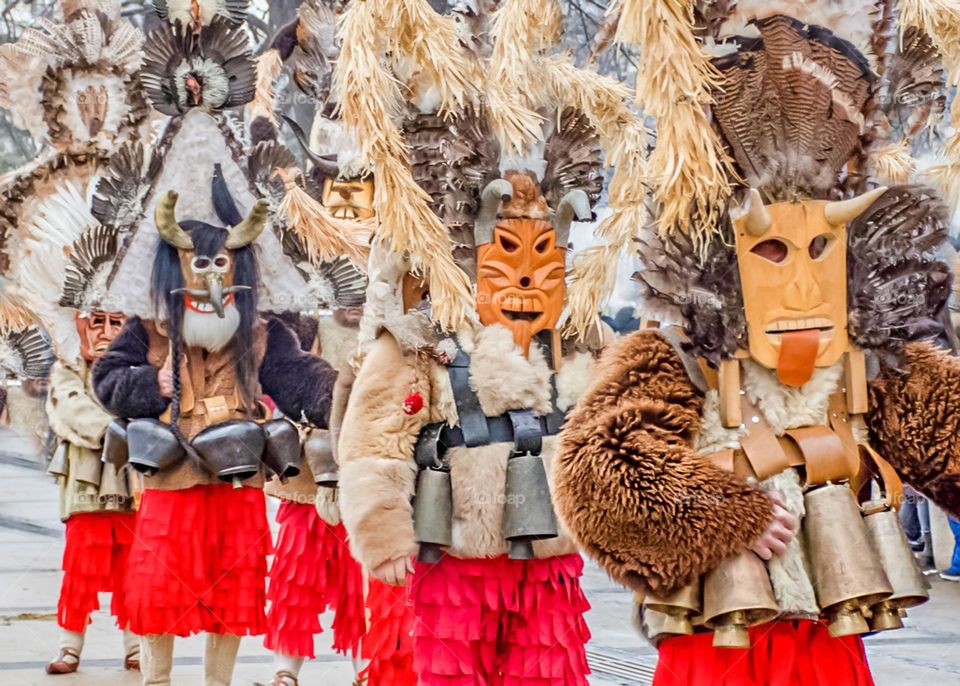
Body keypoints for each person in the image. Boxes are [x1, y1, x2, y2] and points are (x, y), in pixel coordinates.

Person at [552, 7, 960, 686]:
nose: (800, 279)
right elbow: (597, 476)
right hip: (719, 646)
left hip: (831, 638)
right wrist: (721, 513)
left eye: (821, 248)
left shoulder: (874, 360)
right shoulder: (677, 354)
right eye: (771, 249)